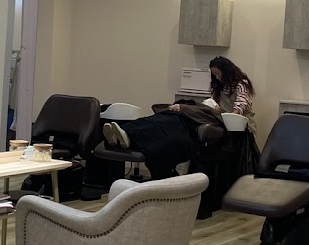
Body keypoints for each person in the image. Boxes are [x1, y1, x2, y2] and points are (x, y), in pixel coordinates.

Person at [102, 56, 257, 180]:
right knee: (166, 118)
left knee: (188, 108)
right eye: (214, 75)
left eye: (218, 74)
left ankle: (130, 135)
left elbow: (239, 108)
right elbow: (213, 104)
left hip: (233, 122)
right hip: (217, 116)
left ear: (227, 71)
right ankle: (126, 133)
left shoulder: (241, 84)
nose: (217, 77)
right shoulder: (219, 87)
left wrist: (197, 110)